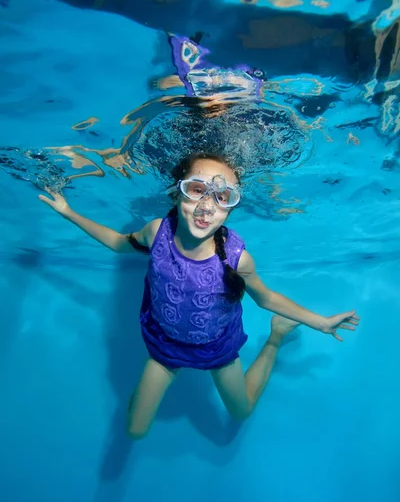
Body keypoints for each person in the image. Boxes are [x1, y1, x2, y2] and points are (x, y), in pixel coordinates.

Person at [38, 152, 359, 439]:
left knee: (241, 411)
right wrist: (68, 212)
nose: (207, 206)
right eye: (196, 189)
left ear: (232, 206)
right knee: (134, 431)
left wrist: (322, 323)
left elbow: (266, 298)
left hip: (216, 348)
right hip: (166, 344)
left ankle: (276, 336)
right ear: (177, 191)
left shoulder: (237, 258)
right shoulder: (156, 232)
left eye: (223, 196)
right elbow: (119, 243)